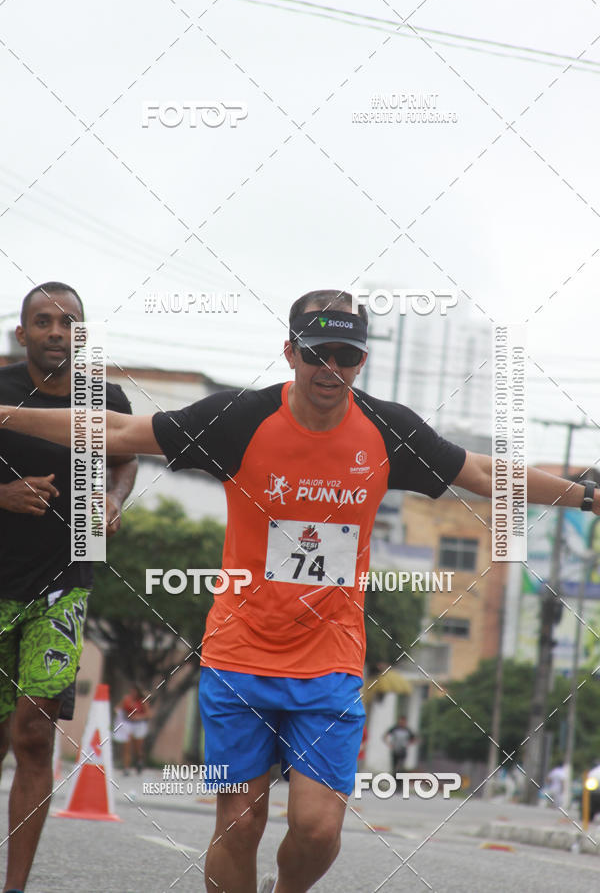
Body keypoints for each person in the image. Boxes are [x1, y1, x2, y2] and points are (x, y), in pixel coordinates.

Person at [1, 288, 599, 893]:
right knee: (240, 823)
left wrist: (587, 496)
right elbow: (116, 429)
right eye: (317, 353)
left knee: (317, 829)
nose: (330, 369)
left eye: (347, 355)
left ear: (362, 360)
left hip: (329, 662)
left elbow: (482, 471)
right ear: (290, 352)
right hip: (239, 655)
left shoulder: (387, 430)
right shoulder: (240, 421)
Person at [0, 282, 137, 893]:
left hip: (64, 584)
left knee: (33, 735)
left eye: (69, 322)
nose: (56, 331)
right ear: (22, 333)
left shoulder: (103, 397)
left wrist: (112, 497)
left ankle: (15, 886)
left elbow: (126, 455)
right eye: (43, 321)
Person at [117, 684, 151, 775]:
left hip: (139, 725)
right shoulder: (126, 699)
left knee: (138, 748)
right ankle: (126, 767)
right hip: (128, 724)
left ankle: (139, 761)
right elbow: (118, 708)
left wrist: (138, 717)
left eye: (135, 691)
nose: (133, 693)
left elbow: (148, 714)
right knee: (127, 747)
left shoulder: (143, 701)